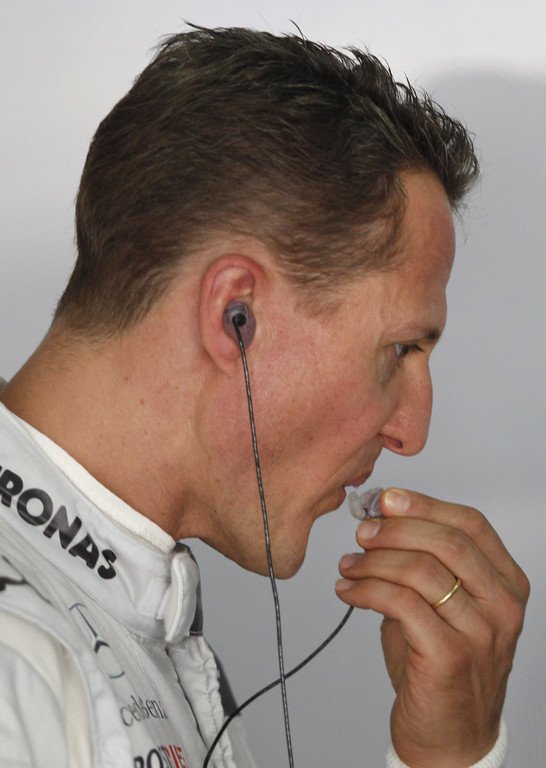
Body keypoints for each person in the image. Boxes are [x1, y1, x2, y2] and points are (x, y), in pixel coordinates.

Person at [0, 25, 529, 768]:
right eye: (401, 350)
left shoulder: (121, 609)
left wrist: (447, 754)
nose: (412, 432)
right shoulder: (19, 662)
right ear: (235, 315)